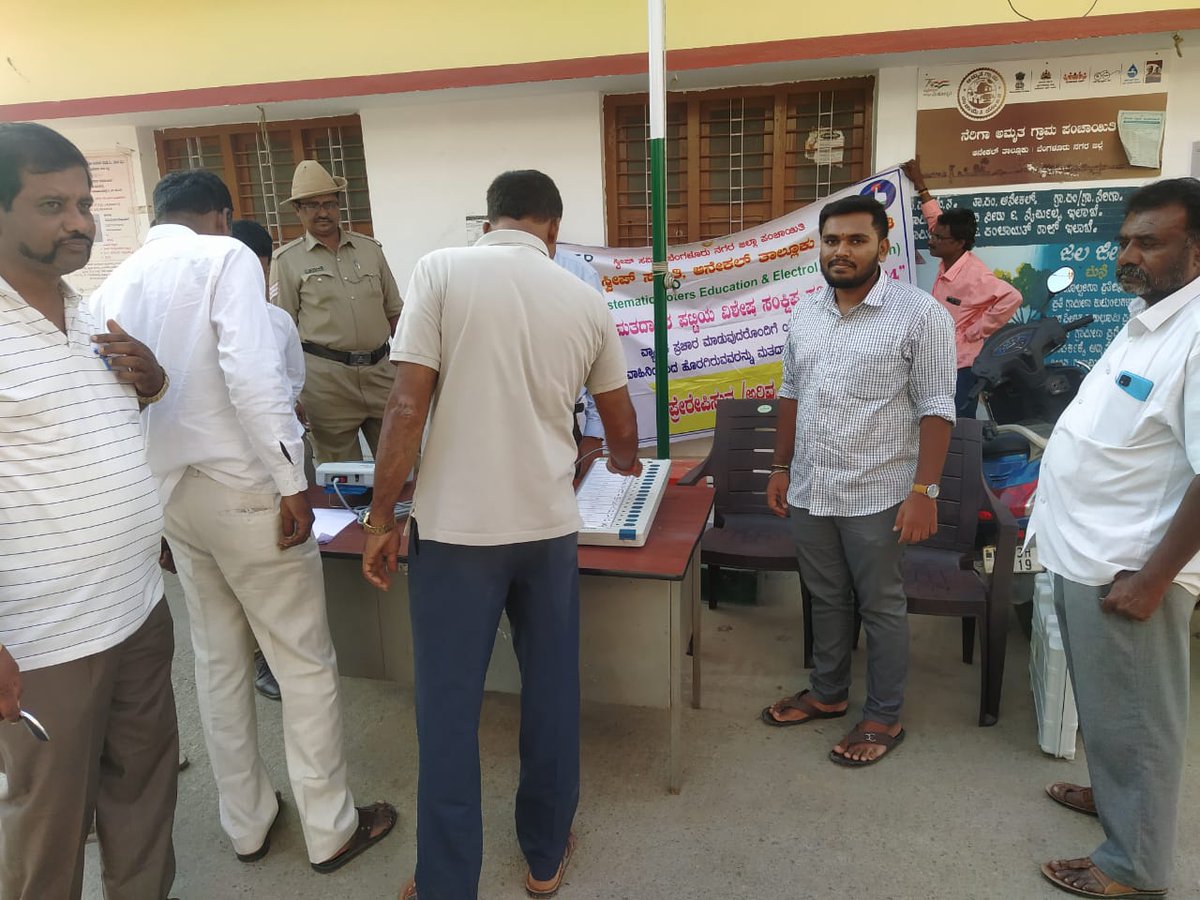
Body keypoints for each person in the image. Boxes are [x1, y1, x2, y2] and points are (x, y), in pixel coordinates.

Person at [89, 170, 395, 874]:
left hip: (173, 496)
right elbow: (255, 376)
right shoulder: (221, 256)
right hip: (246, 489)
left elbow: (112, 403)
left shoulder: (115, 284)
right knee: (303, 662)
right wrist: (293, 483)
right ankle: (330, 830)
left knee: (218, 661)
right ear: (222, 216)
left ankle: (247, 824)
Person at [360, 170, 640, 900]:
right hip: (546, 533)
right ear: (552, 227)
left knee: (449, 713)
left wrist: (380, 517)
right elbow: (622, 432)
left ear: (489, 221)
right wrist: (610, 457)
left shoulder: (441, 271)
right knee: (551, 694)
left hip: (455, 537)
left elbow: (405, 406)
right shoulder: (583, 298)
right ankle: (545, 859)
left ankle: (447, 883)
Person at [0, 122, 179, 899]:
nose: (79, 221)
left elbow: (93, 428)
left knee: (144, 800)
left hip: (137, 611)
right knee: (50, 832)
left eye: (84, 201)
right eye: (51, 204)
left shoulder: (86, 314)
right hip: (46, 643)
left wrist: (154, 381)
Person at [1028, 178, 1200, 899]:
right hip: (1084, 554)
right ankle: (1113, 794)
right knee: (1107, 705)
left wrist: (1153, 579)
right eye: (1125, 240)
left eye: (1149, 242)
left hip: (1129, 570)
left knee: (1140, 720)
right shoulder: (1147, 320)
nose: (1128, 255)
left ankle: (1135, 867)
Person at [761, 194, 956, 767]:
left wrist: (925, 492)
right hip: (812, 489)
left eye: (855, 240)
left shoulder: (921, 315)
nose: (841, 251)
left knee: (881, 604)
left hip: (879, 492)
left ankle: (884, 713)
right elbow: (791, 394)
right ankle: (828, 693)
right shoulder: (805, 313)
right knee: (825, 597)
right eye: (831, 241)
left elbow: (938, 408)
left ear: (882, 247)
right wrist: (779, 466)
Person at [269, 161, 403, 463]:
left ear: (339, 206)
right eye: (313, 205)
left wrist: (409, 372)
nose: (323, 212)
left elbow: (395, 312)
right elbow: (281, 332)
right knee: (342, 477)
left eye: (329, 203)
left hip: (381, 372)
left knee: (403, 463)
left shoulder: (371, 250)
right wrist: (290, 393)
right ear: (298, 211)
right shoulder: (287, 261)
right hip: (325, 384)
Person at [231, 217, 304, 703]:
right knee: (238, 579)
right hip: (228, 474)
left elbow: (293, 382)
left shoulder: (277, 321)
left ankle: (283, 654)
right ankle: (259, 658)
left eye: (259, 273)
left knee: (286, 564)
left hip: (278, 458)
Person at [902, 158, 1022, 417]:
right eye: (932, 235)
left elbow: (1012, 297)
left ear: (958, 243)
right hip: (938, 363)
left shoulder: (975, 275)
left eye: (937, 237)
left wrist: (975, 331)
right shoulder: (948, 258)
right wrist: (921, 186)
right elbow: (935, 219)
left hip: (961, 368)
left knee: (956, 428)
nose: (930, 240)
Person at [552, 245, 607, 467]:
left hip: (560, 423)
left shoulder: (578, 274)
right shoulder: (466, 277)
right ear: (487, 229)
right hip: (492, 428)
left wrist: (594, 433)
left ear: (552, 230)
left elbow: (598, 354)